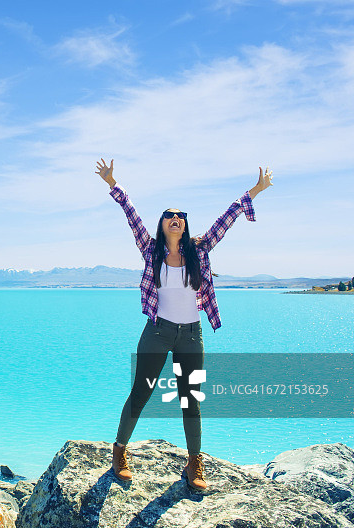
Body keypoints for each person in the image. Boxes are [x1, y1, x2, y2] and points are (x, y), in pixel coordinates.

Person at [95, 158, 273, 491]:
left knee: (190, 399)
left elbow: (227, 217)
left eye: (181, 216)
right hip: (157, 332)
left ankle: (194, 462)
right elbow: (131, 214)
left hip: (191, 335)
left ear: (185, 224)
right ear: (162, 224)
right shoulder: (151, 250)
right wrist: (112, 183)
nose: (176, 218)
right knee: (141, 392)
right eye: (169, 215)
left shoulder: (199, 249)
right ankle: (119, 450)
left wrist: (256, 191)